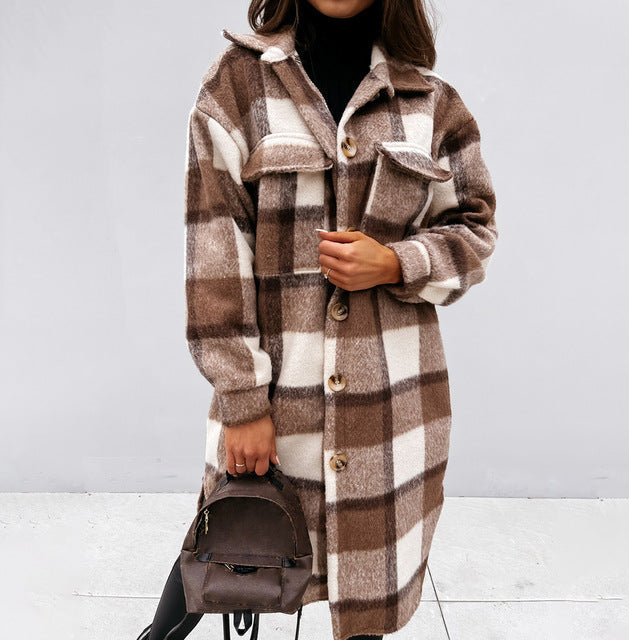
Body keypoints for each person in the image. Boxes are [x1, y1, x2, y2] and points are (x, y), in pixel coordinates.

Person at [136, 0, 497, 638]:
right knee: (226, 540)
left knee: (368, 588)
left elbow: (474, 229)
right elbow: (216, 257)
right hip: (279, 399)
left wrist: (395, 262)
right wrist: (243, 402)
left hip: (392, 407)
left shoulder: (431, 102)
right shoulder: (236, 86)